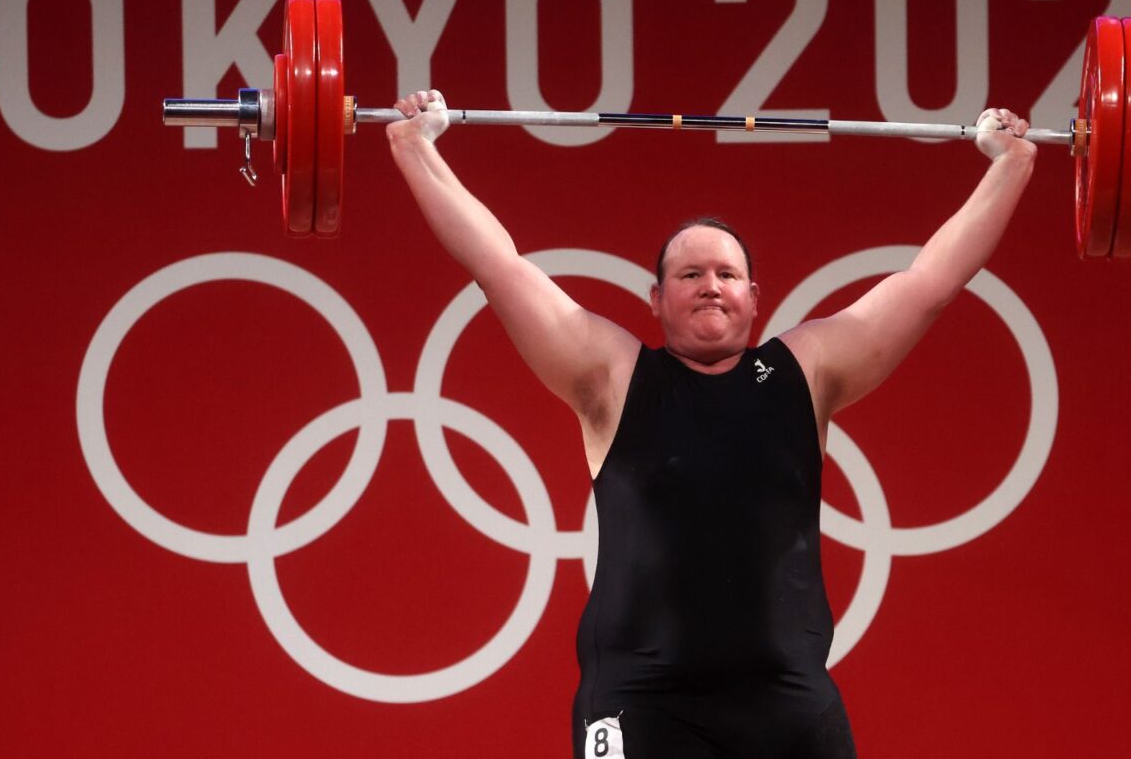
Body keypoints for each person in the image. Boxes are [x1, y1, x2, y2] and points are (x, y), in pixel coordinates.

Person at [386, 89, 1036, 759]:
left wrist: (1008, 166)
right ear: (658, 299)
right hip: (641, 700)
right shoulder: (610, 376)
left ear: (755, 300)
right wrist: (416, 149)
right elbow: (499, 267)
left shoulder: (807, 373)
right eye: (690, 273)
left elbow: (930, 283)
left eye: (727, 274)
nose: (710, 285)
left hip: (786, 703)